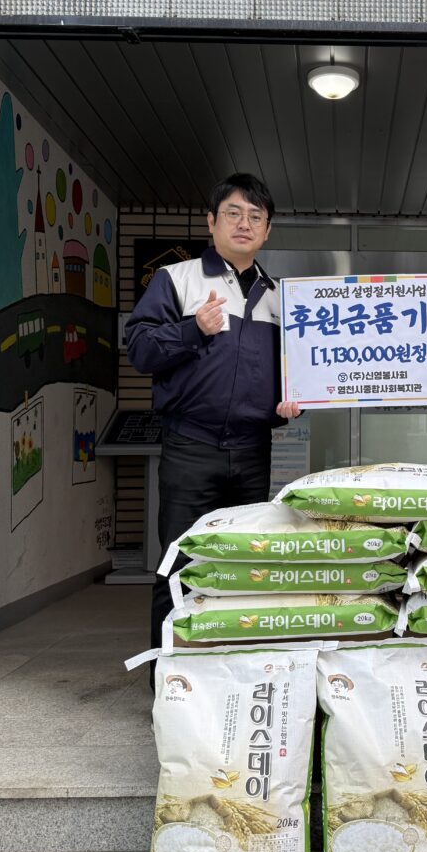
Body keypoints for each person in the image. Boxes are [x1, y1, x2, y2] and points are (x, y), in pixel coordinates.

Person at [126, 173, 300, 653]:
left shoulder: (280, 297)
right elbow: (139, 349)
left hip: (252, 451)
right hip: (190, 446)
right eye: (233, 213)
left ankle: (228, 672)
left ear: (267, 229)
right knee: (180, 564)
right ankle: (170, 677)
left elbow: (291, 371)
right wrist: (193, 329)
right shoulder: (177, 279)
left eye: (255, 216)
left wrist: (290, 403)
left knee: (242, 565)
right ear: (211, 221)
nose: (244, 223)